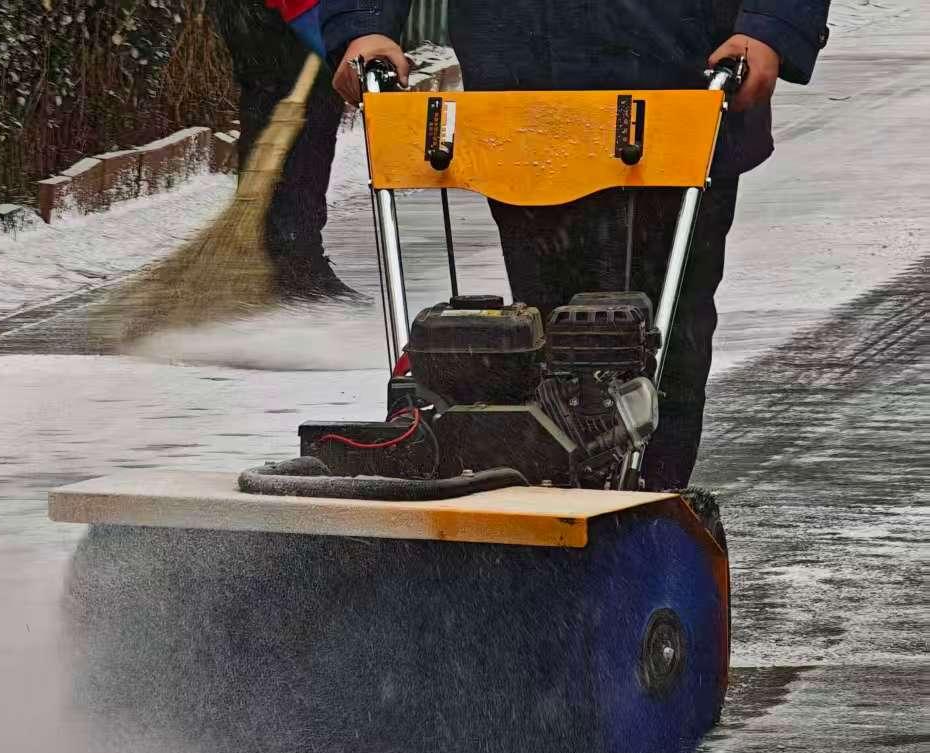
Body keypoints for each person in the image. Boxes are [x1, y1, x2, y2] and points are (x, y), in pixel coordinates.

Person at [317, 0, 832, 490]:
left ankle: (651, 494)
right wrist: (365, 23)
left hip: (680, 83)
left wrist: (768, 28)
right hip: (524, 92)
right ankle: (546, 494)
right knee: (539, 334)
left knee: (661, 335)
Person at [212, 0, 358, 300]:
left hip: (258, 13)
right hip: (281, 12)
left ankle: (273, 256)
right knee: (309, 103)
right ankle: (293, 260)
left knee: (273, 100)